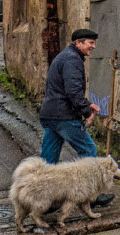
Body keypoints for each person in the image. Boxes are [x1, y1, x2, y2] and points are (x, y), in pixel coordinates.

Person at [39, 28, 114, 207]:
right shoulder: (73, 60)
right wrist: (86, 112)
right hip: (64, 117)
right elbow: (72, 91)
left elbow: (65, 90)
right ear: (78, 43)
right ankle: (89, 196)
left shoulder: (65, 57)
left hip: (51, 115)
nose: (93, 46)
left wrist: (86, 105)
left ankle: (43, 197)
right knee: (89, 150)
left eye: (93, 42)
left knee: (48, 160)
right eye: (90, 43)